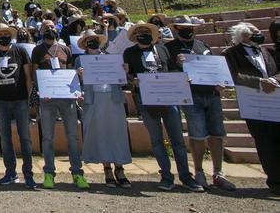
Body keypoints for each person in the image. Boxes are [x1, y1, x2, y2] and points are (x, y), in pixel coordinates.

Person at [122, 22, 204, 192]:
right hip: (146, 101)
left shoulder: (162, 49)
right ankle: (166, 176)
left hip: (169, 99)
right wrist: (132, 80)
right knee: (157, 141)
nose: (143, 34)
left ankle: (186, 177)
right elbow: (128, 77)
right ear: (135, 36)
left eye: (146, 32)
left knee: (178, 141)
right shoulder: (129, 53)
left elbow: (172, 70)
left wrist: (181, 79)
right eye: (140, 32)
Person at [165, 15, 235, 190]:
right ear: (176, 29)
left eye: (190, 27)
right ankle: (198, 171)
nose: (187, 30)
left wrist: (222, 82)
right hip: (191, 95)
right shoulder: (168, 48)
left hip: (212, 93)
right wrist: (179, 72)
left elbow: (215, 67)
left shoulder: (202, 46)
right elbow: (167, 72)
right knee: (197, 134)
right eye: (183, 27)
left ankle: (218, 172)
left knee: (217, 133)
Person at [224, 22, 280, 195]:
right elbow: (234, 76)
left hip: (275, 99)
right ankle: (275, 180)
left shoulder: (268, 51)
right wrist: (259, 82)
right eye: (254, 32)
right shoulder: (231, 54)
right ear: (244, 36)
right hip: (254, 104)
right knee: (265, 142)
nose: (259, 34)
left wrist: (275, 80)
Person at [32, 21, 88, 190]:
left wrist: (77, 78)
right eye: (45, 27)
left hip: (66, 99)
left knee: (72, 136)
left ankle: (77, 173)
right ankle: (49, 173)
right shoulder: (37, 50)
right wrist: (41, 90)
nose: (49, 29)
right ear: (41, 31)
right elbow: (34, 74)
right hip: (47, 99)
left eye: (52, 27)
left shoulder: (66, 49)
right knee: (48, 138)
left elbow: (70, 72)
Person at [75, 30, 132, 188]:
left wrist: (124, 72)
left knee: (117, 132)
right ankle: (107, 168)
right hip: (94, 99)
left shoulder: (112, 57)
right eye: (88, 40)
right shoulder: (80, 60)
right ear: (84, 43)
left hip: (112, 97)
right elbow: (76, 84)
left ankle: (120, 168)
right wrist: (79, 76)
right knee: (100, 133)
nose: (92, 42)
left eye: (94, 39)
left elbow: (122, 81)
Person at [0, 24, 36, 188]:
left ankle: (28, 173)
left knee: (25, 137)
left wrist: (27, 96)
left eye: (6, 33)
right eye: (1, 33)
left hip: (20, 99)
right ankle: (10, 173)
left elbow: (28, 75)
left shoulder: (20, 51)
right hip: (1, 101)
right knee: (5, 139)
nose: (4, 36)